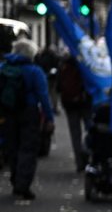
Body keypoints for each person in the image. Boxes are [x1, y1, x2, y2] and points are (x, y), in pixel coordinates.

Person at [2, 39, 55, 199]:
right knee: (28, 147)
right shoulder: (34, 71)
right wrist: (49, 117)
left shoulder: (3, 68)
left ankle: (14, 178)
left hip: (7, 111)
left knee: (12, 146)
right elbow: (43, 96)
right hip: (29, 111)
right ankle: (23, 184)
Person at [57, 54, 93, 172]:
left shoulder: (63, 68)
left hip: (70, 105)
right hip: (85, 104)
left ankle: (79, 162)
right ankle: (89, 155)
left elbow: (58, 87)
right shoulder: (85, 67)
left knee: (75, 134)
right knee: (91, 130)